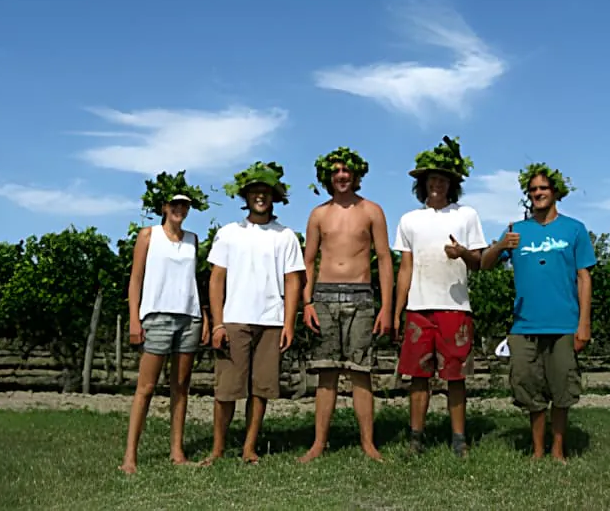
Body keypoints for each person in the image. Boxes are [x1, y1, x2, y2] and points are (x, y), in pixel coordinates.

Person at [480, 163, 596, 462]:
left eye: (543, 188)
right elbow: (485, 264)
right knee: (530, 390)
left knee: (562, 390)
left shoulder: (574, 229)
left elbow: (585, 277)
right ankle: (536, 451)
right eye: (532, 190)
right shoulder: (517, 231)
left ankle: (557, 450)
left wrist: (584, 324)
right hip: (525, 325)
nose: (537, 194)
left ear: (555, 192)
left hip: (563, 323)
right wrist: (501, 245)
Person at [200, 162, 304, 465]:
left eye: (265, 192)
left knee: (261, 389)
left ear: (274, 197)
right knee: (227, 389)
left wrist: (289, 322)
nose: (260, 196)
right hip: (234, 319)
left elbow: (293, 280)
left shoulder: (285, 236)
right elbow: (216, 278)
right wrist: (218, 323)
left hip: (271, 320)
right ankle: (218, 448)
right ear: (246, 197)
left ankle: (249, 447)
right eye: (255, 192)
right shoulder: (229, 233)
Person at [297, 146, 394, 463]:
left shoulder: (372, 211)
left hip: (361, 296)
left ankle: (368, 442)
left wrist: (386, 307)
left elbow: (385, 260)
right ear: (329, 176)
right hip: (324, 297)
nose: (341, 176)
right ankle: (318, 443)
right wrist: (307, 302)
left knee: (360, 373)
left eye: (346, 171)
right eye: (336, 171)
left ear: (356, 175)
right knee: (326, 375)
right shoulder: (318, 214)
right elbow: (308, 261)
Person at [392, 136, 487, 458]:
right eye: (432, 179)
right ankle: (416, 438)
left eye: (443, 179)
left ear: (451, 184)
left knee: (455, 376)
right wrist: (397, 309)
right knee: (418, 377)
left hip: (455, 307)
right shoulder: (409, 220)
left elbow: (480, 262)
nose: (437, 184)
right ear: (423, 184)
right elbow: (405, 267)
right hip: (419, 307)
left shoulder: (466, 215)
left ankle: (459, 438)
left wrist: (462, 253)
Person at [119, 180, 210, 475]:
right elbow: (135, 278)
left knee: (180, 387)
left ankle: (177, 451)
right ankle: (130, 457)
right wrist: (135, 318)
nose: (179, 209)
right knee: (145, 388)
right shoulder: (149, 235)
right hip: (156, 317)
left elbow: (194, 282)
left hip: (188, 318)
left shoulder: (193, 239)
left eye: (184, 205)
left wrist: (204, 317)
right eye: (175, 204)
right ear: (164, 208)